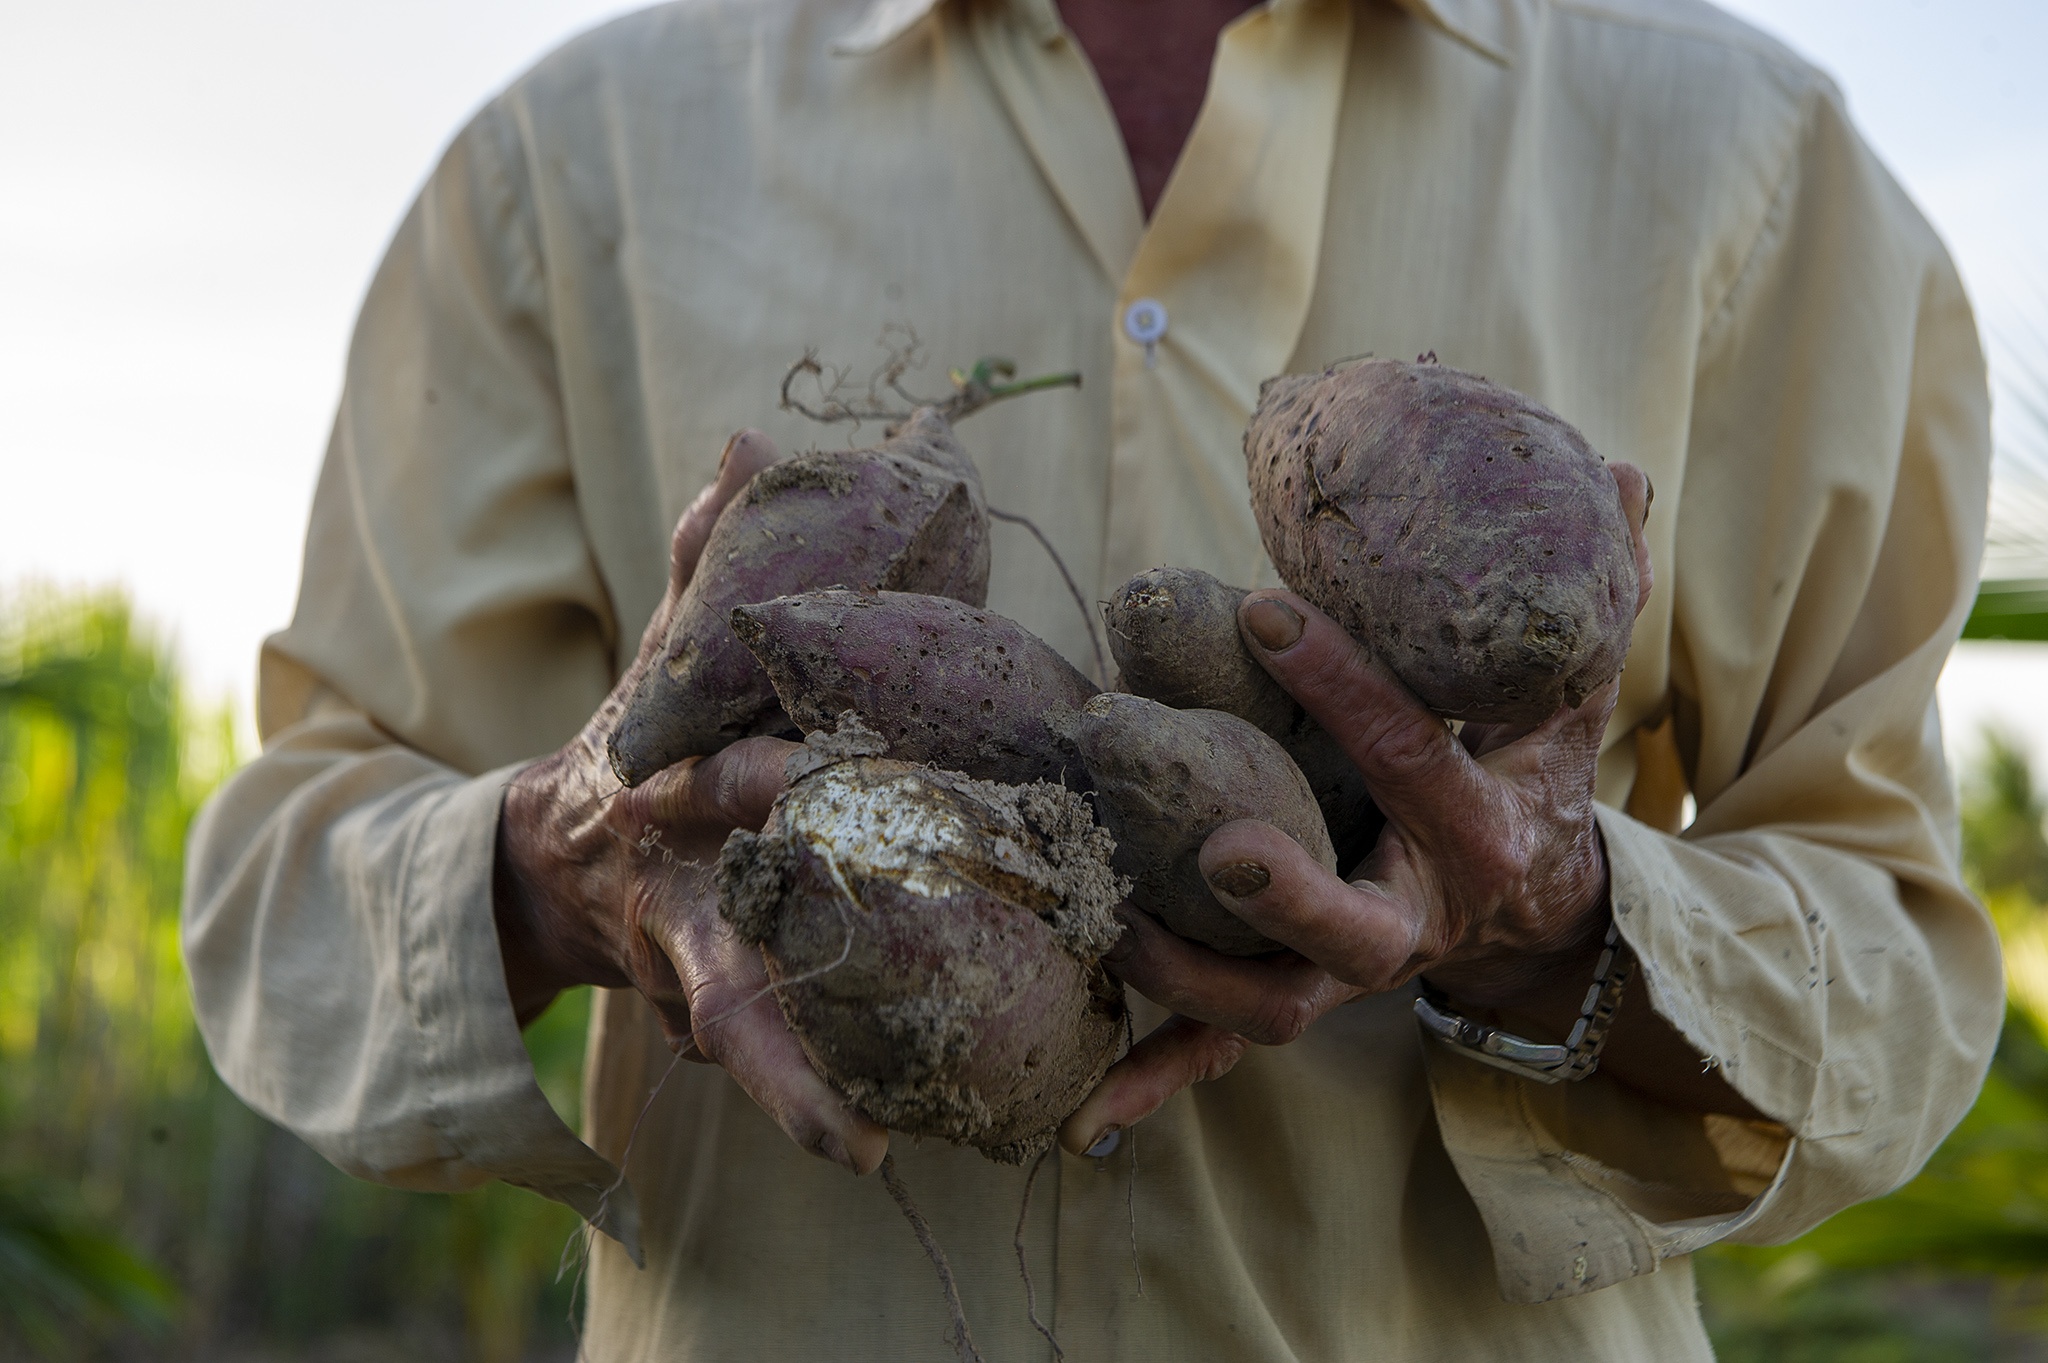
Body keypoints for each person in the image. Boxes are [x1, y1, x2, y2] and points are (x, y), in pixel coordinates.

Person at [182, 0, 2001, 1356]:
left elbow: (1906, 967)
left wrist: (1558, 915)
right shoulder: (570, 165)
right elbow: (277, 900)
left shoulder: (1748, 163)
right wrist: (571, 863)